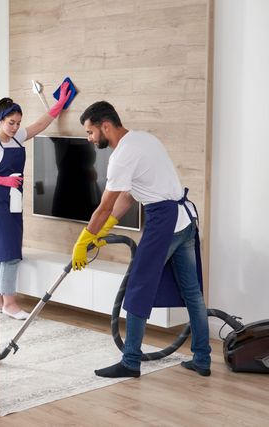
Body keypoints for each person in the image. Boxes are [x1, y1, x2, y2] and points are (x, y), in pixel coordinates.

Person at [71, 101, 211, 377]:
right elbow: (127, 195)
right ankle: (203, 359)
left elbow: (105, 205)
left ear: (105, 126)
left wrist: (83, 240)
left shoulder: (122, 156)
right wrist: (106, 228)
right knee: (192, 293)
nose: (89, 139)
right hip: (185, 221)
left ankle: (131, 361)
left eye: (90, 132)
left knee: (138, 287)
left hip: (164, 222)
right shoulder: (143, 139)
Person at [0, 81, 71, 320]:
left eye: (17, 123)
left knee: (1, 253)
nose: (15, 127)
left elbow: (40, 124)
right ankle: (10, 303)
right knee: (9, 253)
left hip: (13, 202)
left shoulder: (18, 138)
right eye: (10, 123)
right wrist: (3, 181)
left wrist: (60, 104)